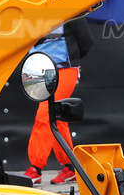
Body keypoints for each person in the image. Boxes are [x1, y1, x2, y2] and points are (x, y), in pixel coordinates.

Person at [25, 16, 94, 184]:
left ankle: (35, 169)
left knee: (46, 114)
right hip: (41, 70)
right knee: (57, 119)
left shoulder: (71, 10)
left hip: (65, 69)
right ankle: (70, 167)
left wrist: (73, 59)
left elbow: (87, 40)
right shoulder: (32, 12)